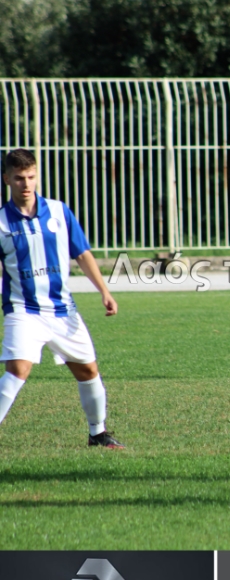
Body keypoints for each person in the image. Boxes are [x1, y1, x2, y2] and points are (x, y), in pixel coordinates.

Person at [0, 149, 123, 448]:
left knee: (88, 370)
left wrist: (104, 291)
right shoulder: (1, 221)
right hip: (23, 309)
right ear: (7, 179)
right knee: (18, 369)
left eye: (31, 177)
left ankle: (98, 434)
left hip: (62, 310)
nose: (26, 184)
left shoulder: (58, 211)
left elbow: (82, 253)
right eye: (19, 178)